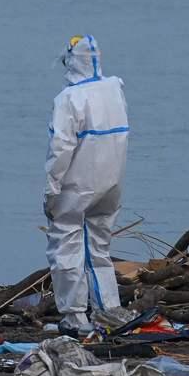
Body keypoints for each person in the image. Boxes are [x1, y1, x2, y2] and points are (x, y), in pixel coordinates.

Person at [44, 35, 129, 336]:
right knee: (99, 247)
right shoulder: (114, 89)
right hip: (111, 182)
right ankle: (108, 308)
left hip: (77, 184)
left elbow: (60, 148)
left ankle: (74, 315)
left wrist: (51, 190)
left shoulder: (68, 99)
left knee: (65, 246)